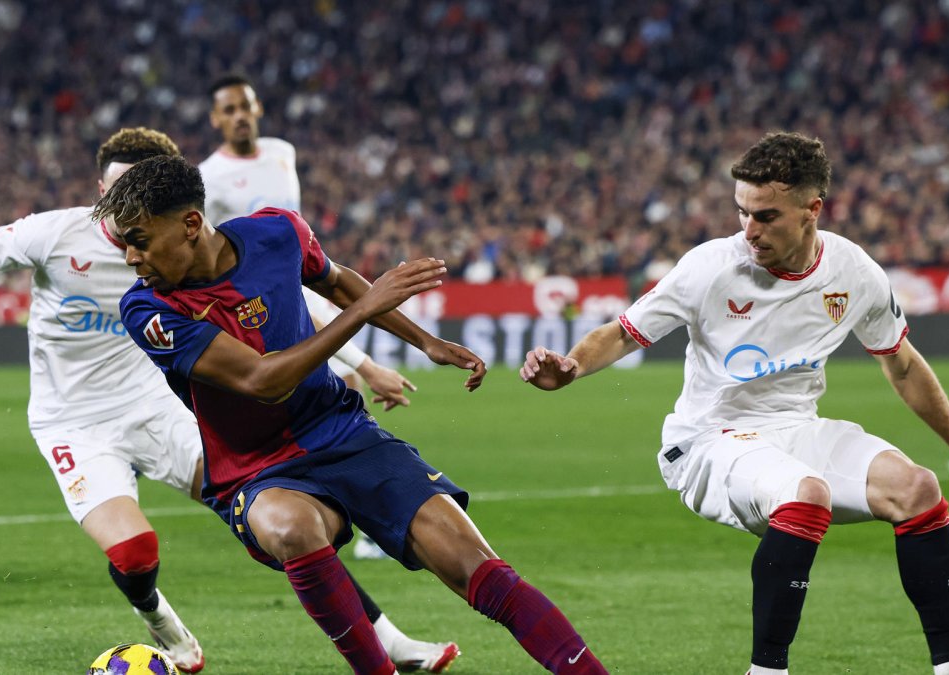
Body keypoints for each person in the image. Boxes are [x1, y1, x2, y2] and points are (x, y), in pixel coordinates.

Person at [0, 128, 459, 674]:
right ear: (103, 189)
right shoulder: (54, 236)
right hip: (76, 422)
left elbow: (289, 307)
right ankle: (170, 634)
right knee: (133, 553)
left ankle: (388, 642)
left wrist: (367, 363)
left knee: (275, 513)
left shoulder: (190, 247)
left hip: (161, 409)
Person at [101, 154, 610, 675]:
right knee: (293, 526)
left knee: (472, 563)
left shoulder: (277, 232)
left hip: (342, 431)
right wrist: (363, 312)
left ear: (190, 225)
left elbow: (338, 281)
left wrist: (426, 341)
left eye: (139, 240)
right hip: (256, 468)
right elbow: (263, 381)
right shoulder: (147, 310)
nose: (131, 259)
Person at [520, 132, 949, 675]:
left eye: (766, 216)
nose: (749, 229)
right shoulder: (710, 266)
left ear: (813, 209)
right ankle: (766, 672)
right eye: (742, 212)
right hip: (708, 440)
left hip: (796, 428)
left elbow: (902, 364)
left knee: (918, 489)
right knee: (806, 495)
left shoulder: (854, 271)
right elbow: (624, 333)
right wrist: (574, 367)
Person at [198, 73, 403, 560]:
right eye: (228, 110)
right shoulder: (209, 177)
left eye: (245, 106)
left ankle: (345, 509)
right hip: (263, 304)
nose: (239, 116)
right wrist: (372, 366)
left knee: (345, 389)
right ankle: (324, 508)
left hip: (305, 279)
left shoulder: (282, 152)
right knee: (337, 387)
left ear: (258, 107)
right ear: (215, 119)